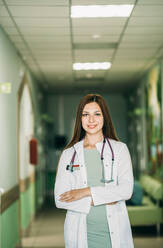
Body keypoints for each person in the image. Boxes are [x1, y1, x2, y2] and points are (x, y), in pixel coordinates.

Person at [54, 94, 134, 248]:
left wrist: (84, 191)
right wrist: (108, 196)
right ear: (80, 118)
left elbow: (125, 191)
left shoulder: (119, 149)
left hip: (114, 233)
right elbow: (59, 199)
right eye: (86, 114)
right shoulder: (69, 154)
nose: (91, 120)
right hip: (80, 233)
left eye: (97, 114)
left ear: (104, 118)